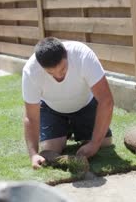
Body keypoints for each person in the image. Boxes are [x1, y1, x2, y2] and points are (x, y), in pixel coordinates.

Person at [22, 37, 114, 169]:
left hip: (85, 105)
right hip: (52, 109)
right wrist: (33, 154)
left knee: (105, 143)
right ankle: (65, 130)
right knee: (49, 149)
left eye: (62, 69)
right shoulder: (30, 71)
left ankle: (76, 129)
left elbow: (106, 100)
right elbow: (30, 117)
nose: (58, 76)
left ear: (66, 54)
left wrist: (94, 143)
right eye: (51, 73)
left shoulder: (83, 56)